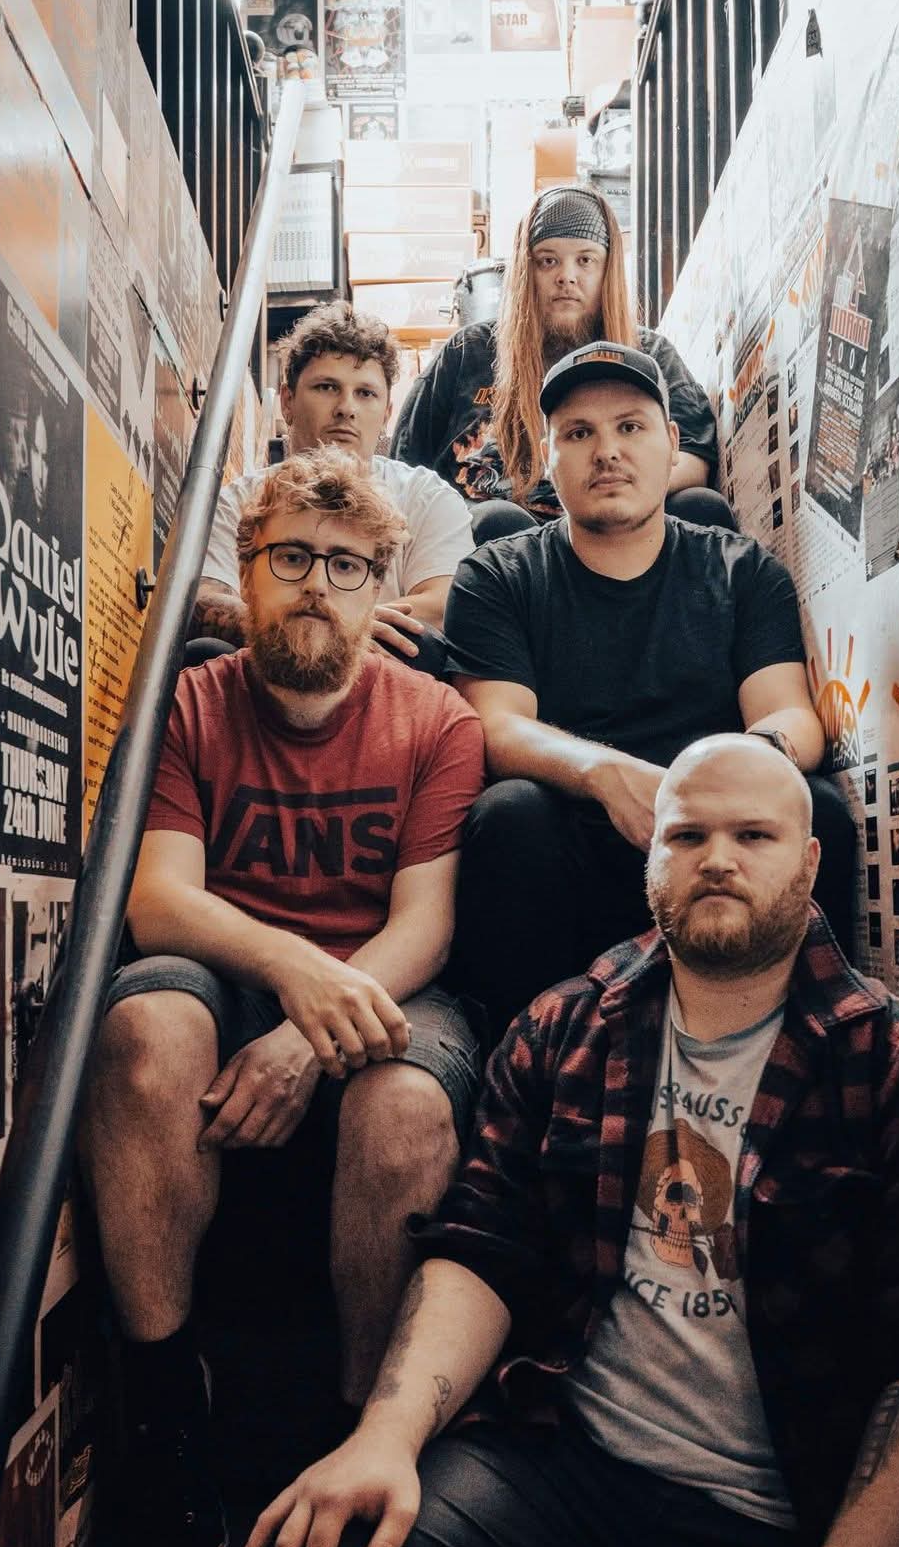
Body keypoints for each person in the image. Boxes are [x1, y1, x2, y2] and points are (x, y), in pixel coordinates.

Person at [240, 734, 899, 1547]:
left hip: (772, 1511)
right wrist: (385, 1438)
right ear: (649, 860)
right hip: (567, 1454)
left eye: (754, 836)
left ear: (810, 860)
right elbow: (482, 1244)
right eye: (687, 834)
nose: (717, 859)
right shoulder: (566, 1025)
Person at [79, 448, 486, 1547]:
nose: (318, 585)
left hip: (388, 983)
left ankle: (358, 1435)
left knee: (407, 1107)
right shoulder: (193, 703)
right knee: (145, 1039)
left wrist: (314, 1030)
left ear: (382, 584)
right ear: (245, 574)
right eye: (292, 558)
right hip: (230, 972)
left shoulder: (438, 722)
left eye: (348, 566)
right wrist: (291, 977)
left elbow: (426, 930)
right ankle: (165, 1412)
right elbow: (159, 900)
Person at [443, 339, 854, 1036]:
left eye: (629, 427)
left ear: (669, 444)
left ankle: (817, 1061)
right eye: (579, 433)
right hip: (574, 831)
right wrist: (606, 773)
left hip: (712, 837)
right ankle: (527, 1078)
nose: (606, 452)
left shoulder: (742, 571)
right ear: (548, 459)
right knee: (507, 815)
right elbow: (496, 725)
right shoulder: (496, 576)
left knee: (818, 809)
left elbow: (790, 710)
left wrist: (738, 773)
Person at [391, 182, 732, 541]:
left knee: (701, 506)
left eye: (585, 260)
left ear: (607, 269)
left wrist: (597, 497)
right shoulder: (468, 352)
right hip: (494, 553)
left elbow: (694, 457)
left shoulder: (650, 354)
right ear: (526, 270)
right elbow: (404, 468)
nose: (566, 276)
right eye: (548, 260)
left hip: (617, 537)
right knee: (500, 522)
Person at [194, 303, 475, 675]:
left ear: (387, 413)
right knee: (204, 651)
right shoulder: (239, 501)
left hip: (382, 681)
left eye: (366, 394)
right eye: (327, 387)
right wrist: (316, 633)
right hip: (270, 677)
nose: (346, 408)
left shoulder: (426, 496)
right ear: (288, 401)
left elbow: (444, 603)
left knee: (423, 645)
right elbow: (207, 601)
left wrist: (335, 633)